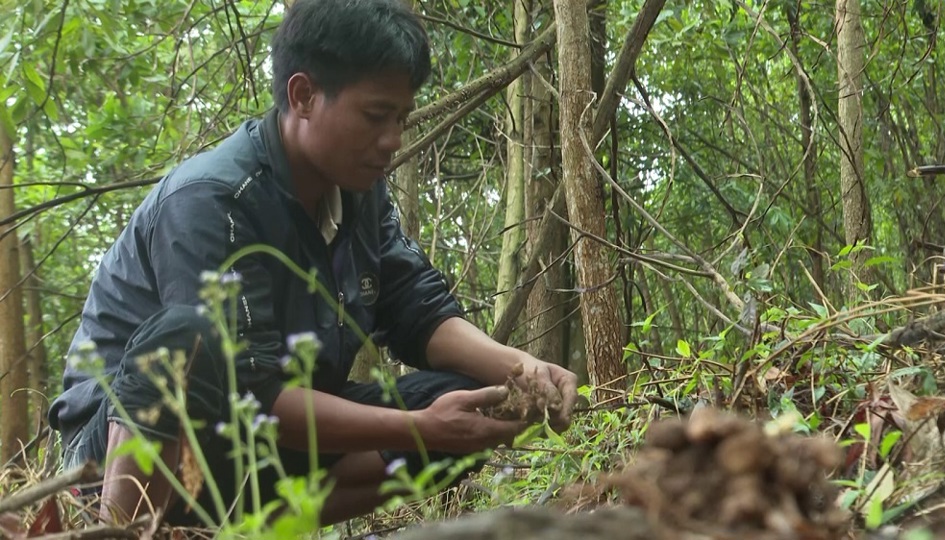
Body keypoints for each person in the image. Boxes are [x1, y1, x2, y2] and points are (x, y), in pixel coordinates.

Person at [48, 0, 577, 527]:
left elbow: (419, 310)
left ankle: (252, 531)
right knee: (186, 337)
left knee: (470, 398)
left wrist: (522, 369)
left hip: (252, 449)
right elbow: (251, 397)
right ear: (303, 95)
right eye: (375, 116)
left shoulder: (359, 194)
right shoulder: (213, 200)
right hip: (114, 456)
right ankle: (119, 533)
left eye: (401, 117)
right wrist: (417, 428)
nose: (393, 139)